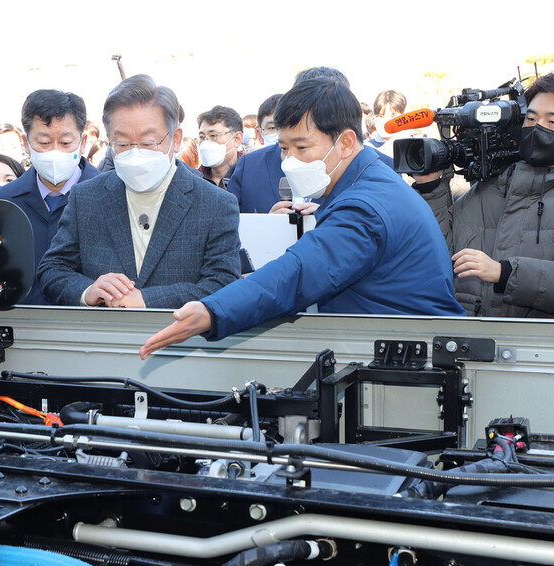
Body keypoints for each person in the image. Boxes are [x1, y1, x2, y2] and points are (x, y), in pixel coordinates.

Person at [139, 77, 463, 359]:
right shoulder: (367, 181)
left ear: (345, 143)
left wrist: (213, 311)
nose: (289, 160)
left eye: (302, 147)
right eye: (283, 148)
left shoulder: (365, 207)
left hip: (411, 368)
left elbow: (299, 273)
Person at [414, 68, 554, 320]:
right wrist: (430, 188)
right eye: (532, 119)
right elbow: (436, 255)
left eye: (553, 122)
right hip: (473, 339)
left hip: (549, 342)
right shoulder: (487, 187)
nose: (538, 128)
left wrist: (504, 273)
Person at [37, 74, 241, 309]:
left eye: (148, 143)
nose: (135, 154)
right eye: (122, 144)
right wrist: (88, 290)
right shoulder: (86, 197)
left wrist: (147, 299)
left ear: (175, 139)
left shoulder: (215, 204)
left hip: (180, 331)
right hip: (103, 331)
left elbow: (223, 283)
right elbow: (52, 269)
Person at [0, 89, 101, 305]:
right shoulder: (4, 202)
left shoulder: (107, 196)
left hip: (87, 320)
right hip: (21, 320)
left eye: (66, 143)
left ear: (83, 142)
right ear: (26, 143)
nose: (54, 152)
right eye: (44, 143)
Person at [227, 93, 283, 213]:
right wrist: (267, 221)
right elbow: (230, 217)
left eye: (287, 126)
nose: (281, 133)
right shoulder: (248, 165)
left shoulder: (321, 159)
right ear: (259, 134)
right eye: (272, 128)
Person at [197, 105, 243, 189]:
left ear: (237, 139)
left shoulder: (251, 175)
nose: (206, 142)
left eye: (213, 135)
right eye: (202, 137)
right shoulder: (195, 179)